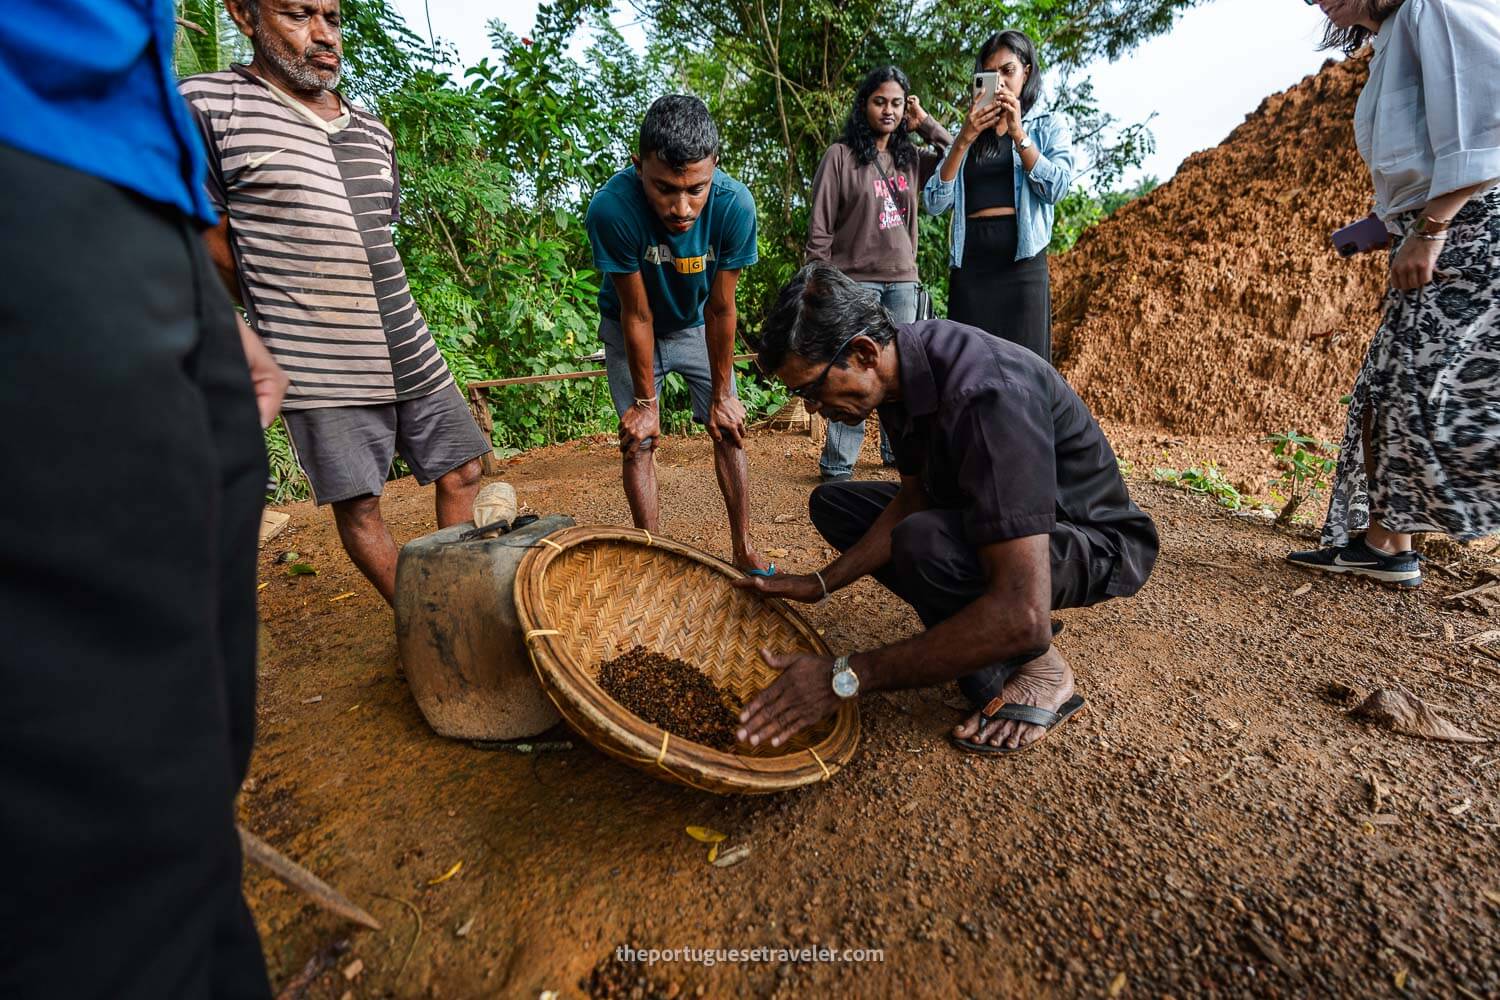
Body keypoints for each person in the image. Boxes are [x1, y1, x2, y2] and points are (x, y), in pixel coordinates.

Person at [0, 1, 283, 995]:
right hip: (29, 176)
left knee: (199, 743)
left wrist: (197, 263)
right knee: (99, 827)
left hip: (136, 195)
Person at [735, 265, 1158, 754]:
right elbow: (914, 497)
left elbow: (1022, 613)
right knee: (837, 505)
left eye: (812, 389)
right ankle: (981, 622)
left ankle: (1040, 667)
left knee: (925, 545)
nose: (811, 408)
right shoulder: (898, 376)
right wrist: (818, 584)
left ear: (863, 352)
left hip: (1090, 539)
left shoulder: (986, 395)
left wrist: (844, 677)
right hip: (995, 514)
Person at [181, 0, 491, 606]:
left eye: (333, 16)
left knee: (463, 468)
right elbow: (200, 229)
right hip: (315, 354)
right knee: (361, 504)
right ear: (244, 16)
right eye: (298, 15)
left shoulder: (373, 131)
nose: (324, 35)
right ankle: (423, 622)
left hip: (405, 336)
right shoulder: (206, 103)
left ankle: (448, 602)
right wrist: (285, 305)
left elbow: (372, 239)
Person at [1287, 0, 1500, 587]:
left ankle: (1391, 542)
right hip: (1434, 236)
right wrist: (1385, 226)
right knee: (1389, 386)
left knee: (1456, 399)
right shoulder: (1390, 42)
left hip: (1470, 238)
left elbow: (1488, 125)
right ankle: (1387, 544)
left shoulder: (1437, 9)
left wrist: (1431, 231)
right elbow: (1421, 160)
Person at [586, 95, 770, 573]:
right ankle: (653, 555)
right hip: (631, 326)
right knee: (638, 440)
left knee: (729, 428)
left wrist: (723, 393)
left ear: (714, 169)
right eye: (665, 189)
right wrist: (646, 405)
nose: (681, 207)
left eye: (696, 188)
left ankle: (744, 548)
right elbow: (637, 315)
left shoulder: (734, 206)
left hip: (697, 321)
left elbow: (722, 306)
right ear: (637, 166)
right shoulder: (611, 209)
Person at [806, 65, 952, 483]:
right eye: (879, 101)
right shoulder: (840, 156)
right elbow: (820, 228)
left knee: (902, 369)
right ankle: (838, 464)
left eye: (897, 103)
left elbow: (955, 155)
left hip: (903, 280)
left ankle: (897, 453)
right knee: (850, 369)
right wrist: (818, 285)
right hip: (855, 281)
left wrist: (924, 123)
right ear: (864, 105)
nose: (888, 111)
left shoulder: (908, 158)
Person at [922, 30, 1075, 362]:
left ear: (1027, 72)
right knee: (969, 372)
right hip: (971, 267)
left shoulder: (1048, 126)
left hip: (1021, 267)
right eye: (992, 75)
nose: (1001, 82)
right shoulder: (969, 132)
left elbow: (1058, 188)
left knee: (1026, 374)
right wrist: (964, 137)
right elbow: (934, 202)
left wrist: (1019, 132)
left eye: (1009, 71)